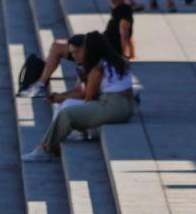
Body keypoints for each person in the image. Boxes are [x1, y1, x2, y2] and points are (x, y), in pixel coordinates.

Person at [22, 31, 134, 162]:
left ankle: (44, 149)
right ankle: (52, 144)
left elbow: (88, 99)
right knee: (70, 108)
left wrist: (81, 120)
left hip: (112, 106)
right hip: (125, 106)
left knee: (67, 114)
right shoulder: (116, 62)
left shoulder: (97, 69)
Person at [19, 0, 133, 98]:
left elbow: (124, 32)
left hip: (99, 48)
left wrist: (124, 54)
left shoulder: (123, 10)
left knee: (57, 47)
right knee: (57, 45)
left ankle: (41, 83)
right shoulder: (119, 10)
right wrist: (132, 51)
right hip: (98, 44)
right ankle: (42, 81)